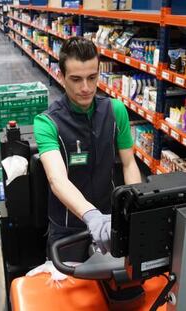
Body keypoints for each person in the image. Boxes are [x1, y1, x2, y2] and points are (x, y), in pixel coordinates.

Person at [34, 37, 142, 255]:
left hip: (112, 221)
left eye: (92, 77)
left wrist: (135, 205)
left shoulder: (115, 111)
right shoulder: (47, 122)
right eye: (76, 79)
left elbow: (129, 164)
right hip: (67, 229)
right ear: (61, 76)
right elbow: (57, 180)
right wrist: (91, 215)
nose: (86, 88)